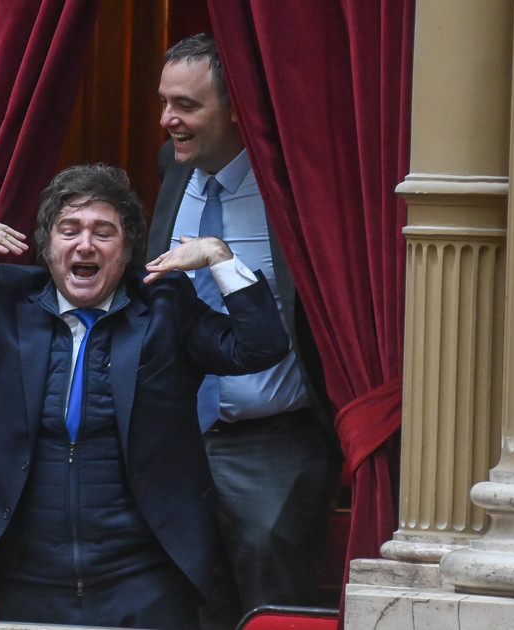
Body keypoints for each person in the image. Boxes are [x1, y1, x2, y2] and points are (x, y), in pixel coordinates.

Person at [0, 163, 290, 629]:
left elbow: (261, 346)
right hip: (29, 579)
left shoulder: (165, 307)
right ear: (47, 247)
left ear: (126, 250)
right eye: (69, 230)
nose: (85, 245)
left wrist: (220, 258)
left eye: (103, 232)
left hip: (146, 579)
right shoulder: (4, 303)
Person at [151, 32, 341, 618]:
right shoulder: (173, 168)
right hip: (176, 440)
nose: (168, 120)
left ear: (237, 108)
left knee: (269, 609)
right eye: (164, 102)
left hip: (274, 447)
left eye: (186, 105)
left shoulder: (293, 185)